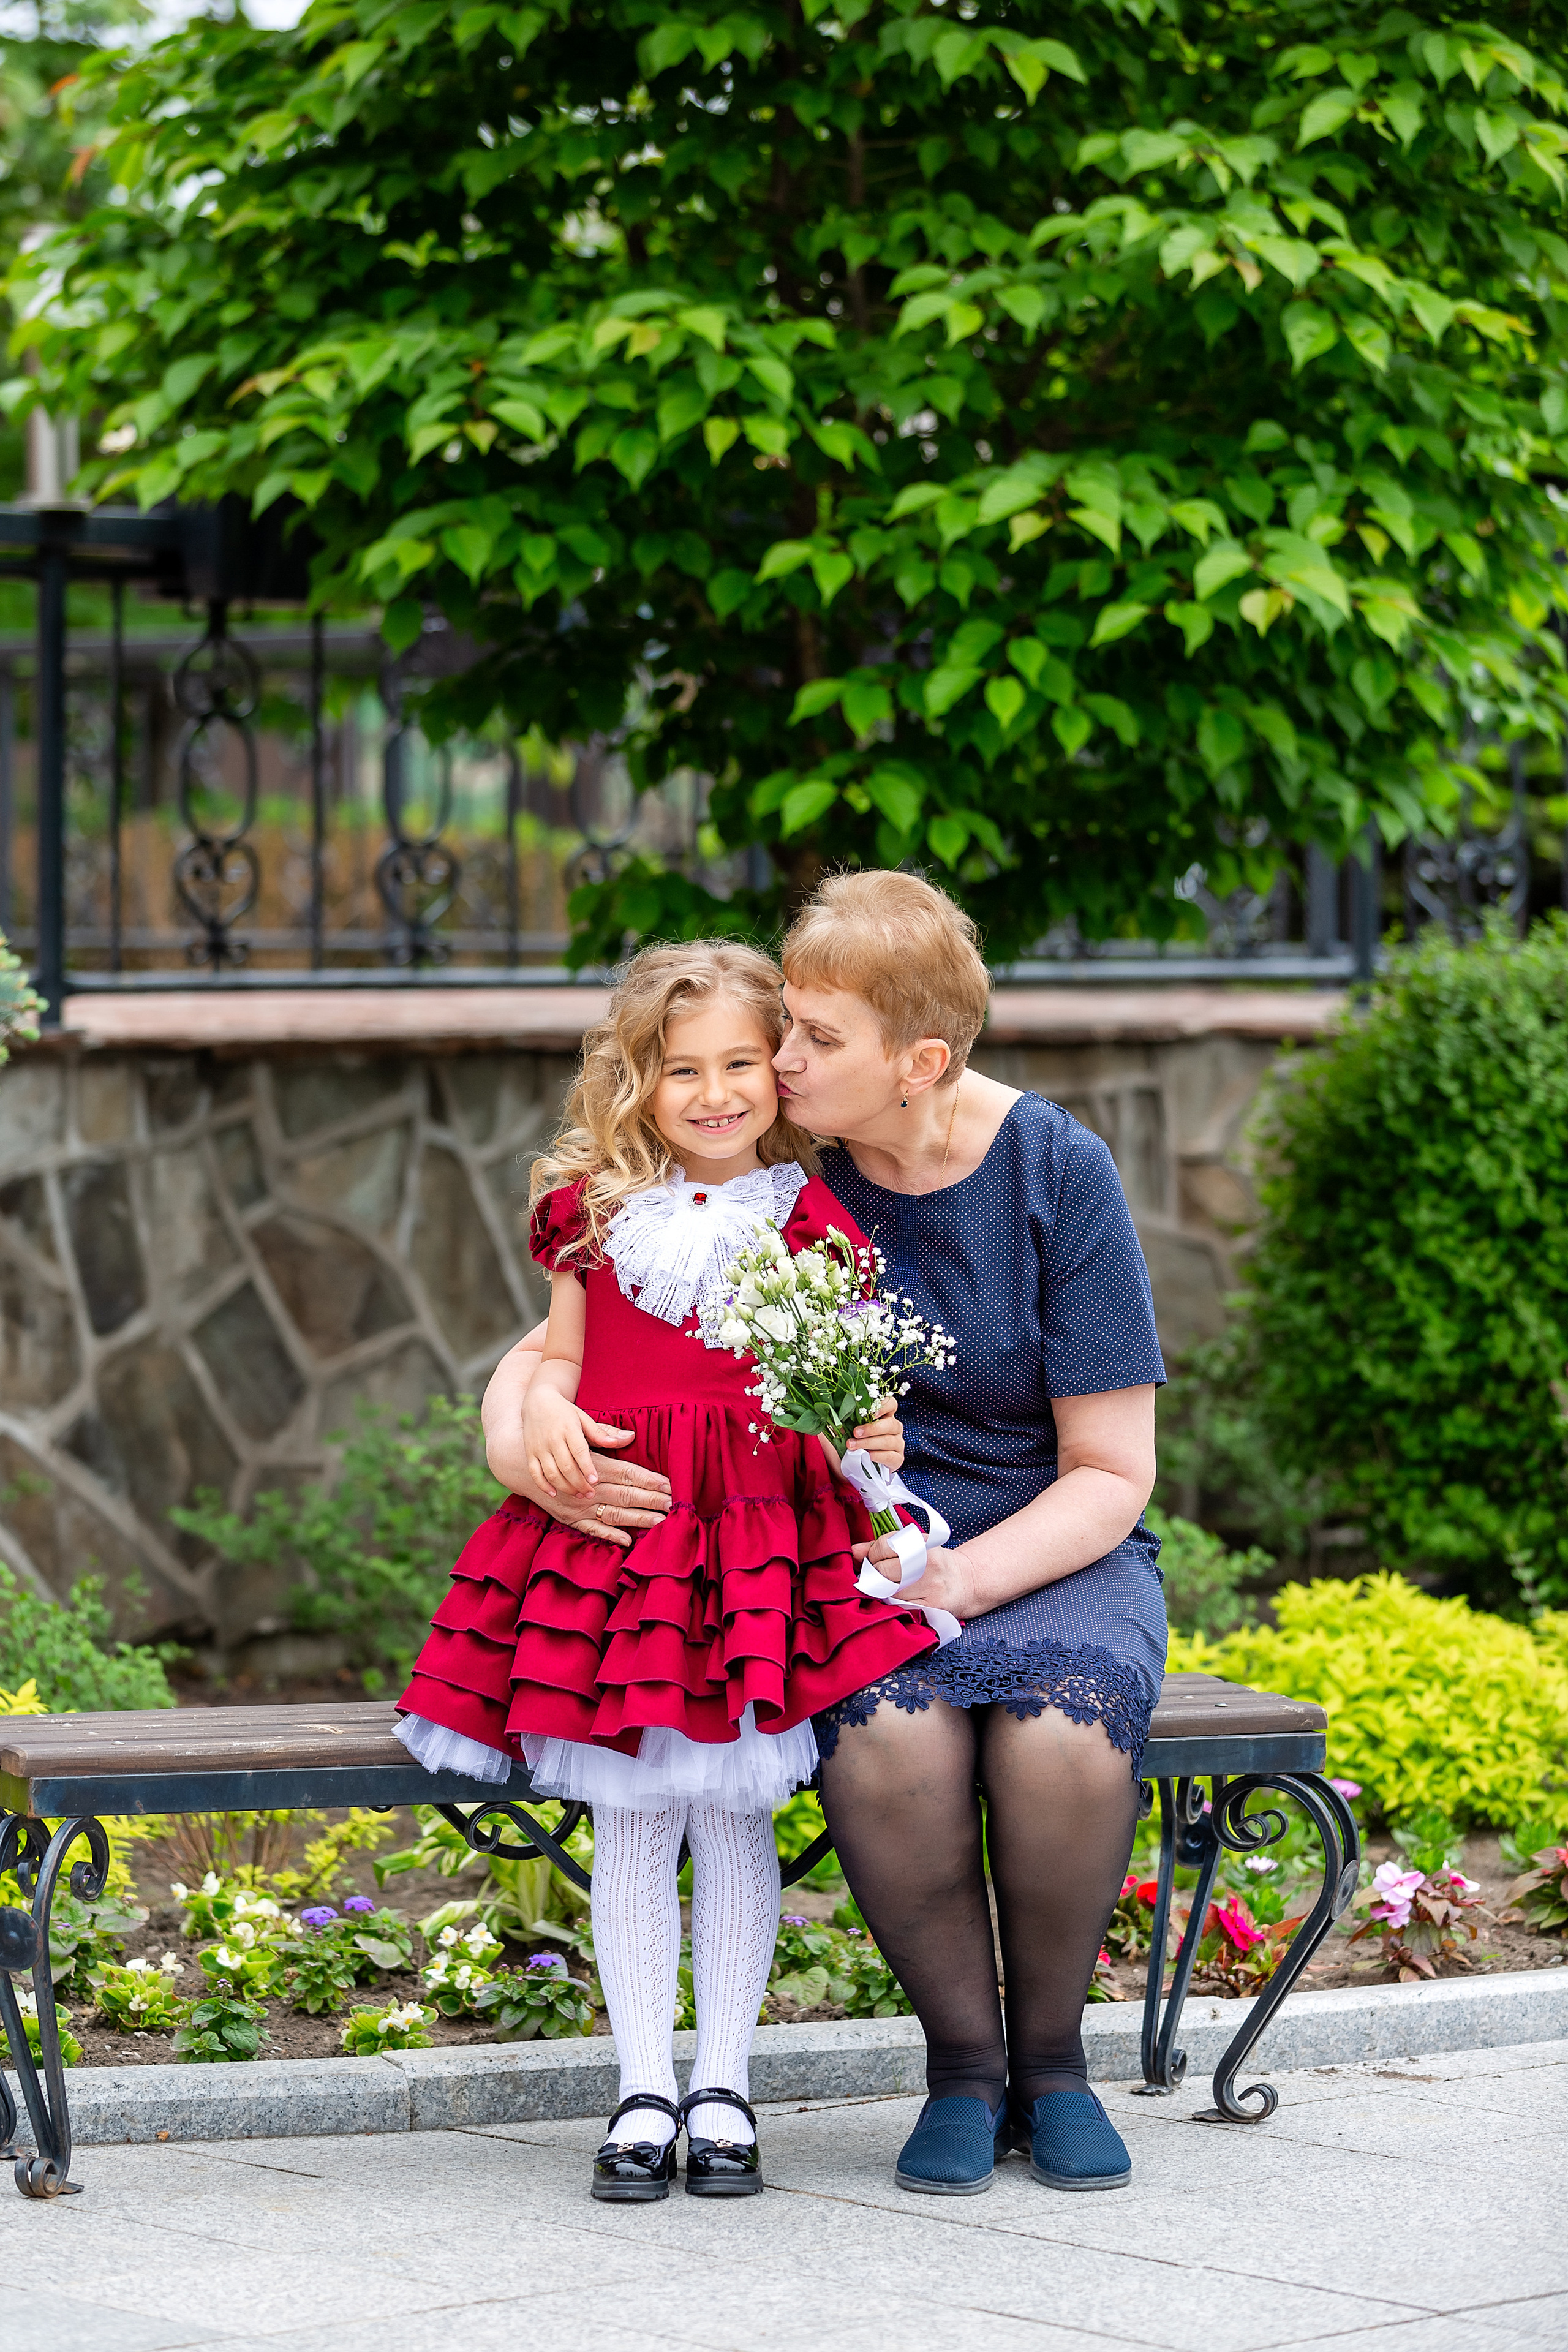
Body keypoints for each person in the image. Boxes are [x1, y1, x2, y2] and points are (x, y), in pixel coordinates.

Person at [394, 939, 932, 2203]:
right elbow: (562, 1360)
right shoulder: (590, 1216)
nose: (713, 1092)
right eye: (681, 1069)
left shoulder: (809, 1217)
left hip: (751, 1543)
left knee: (734, 1811)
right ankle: (643, 2087)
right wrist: (547, 1418)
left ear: (776, 1073)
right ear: (636, 1079)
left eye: (740, 1063)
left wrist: (872, 1435)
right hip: (623, 1545)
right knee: (633, 1812)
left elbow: (837, 1388)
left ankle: (724, 2086)